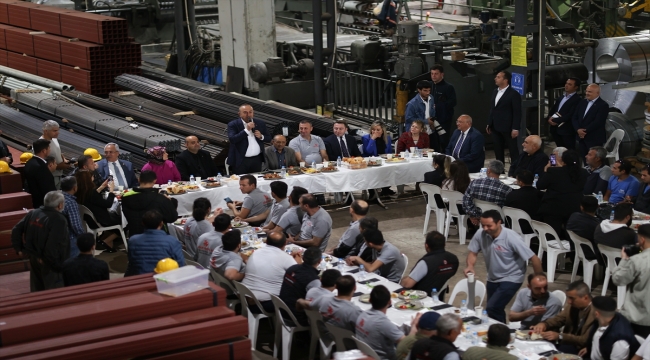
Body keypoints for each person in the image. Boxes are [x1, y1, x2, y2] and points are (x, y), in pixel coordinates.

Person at [465, 210, 543, 322]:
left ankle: (501, 334)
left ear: (499, 223)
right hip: (492, 277)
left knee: (493, 307)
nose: (485, 228)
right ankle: (497, 333)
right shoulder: (481, 233)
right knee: (493, 310)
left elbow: (534, 259)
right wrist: (470, 266)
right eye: (483, 225)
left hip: (512, 277)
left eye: (489, 225)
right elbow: (473, 252)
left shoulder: (512, 238)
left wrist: (538, 281)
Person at [11, 191, 69, 291]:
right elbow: (53, 244)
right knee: (54, 293)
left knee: (37, 289)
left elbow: (16, 229)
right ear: (60, 205)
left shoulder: (34, 213)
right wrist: (54, 264)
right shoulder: (58, 219)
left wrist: (19, 248)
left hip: (34, 257)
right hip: (49, 262)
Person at [243, 231, 302, 312]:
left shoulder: (256, 252)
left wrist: (289, 258)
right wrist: (299, 264)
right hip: (264, 303)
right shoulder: (285, 258)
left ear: (266, 241)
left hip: (245, 296)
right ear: (285, 243)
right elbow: (301, 276)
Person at [532, 281, 596, 354]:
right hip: (568, 344)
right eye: (568, 298)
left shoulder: (595, 313)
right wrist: (544, 324)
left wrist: (560, 336)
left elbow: (584, 340)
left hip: (582, 349)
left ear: (585, 298)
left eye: (572, 298)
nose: (569, 302)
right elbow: (558, 319)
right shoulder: (572, 307)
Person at [537, 149, 588, 238]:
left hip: (554, 208)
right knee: (571, 234)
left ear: (563, 160)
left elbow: (540, 185)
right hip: (574, 207)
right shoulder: (583, 173)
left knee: (552, 235)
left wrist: (546, 171)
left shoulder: (553, 171)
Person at [612, 223, 650, 337]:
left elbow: (618, 279)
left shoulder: (637, 260)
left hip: (639, 318)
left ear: (642, 239)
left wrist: (624, 260)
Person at [356, 285, 412, 360]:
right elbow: (406, 344)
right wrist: (414, 327)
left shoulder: (361, 315)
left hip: (364, 355)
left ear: (370, 300)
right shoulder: (383, 323)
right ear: (389, 302)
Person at [400, 231, 459, 299]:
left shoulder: (425, 263)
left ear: (426, 246)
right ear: (444, 244)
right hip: (439, 296)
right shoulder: (453, 259)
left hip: (420, 298)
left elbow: (408, 284)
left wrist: (403, 280)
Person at [125, 210, 185, 276]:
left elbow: (132, 263)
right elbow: (181, 265)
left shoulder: (133, 240)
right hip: (165, 279)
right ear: (161, 223)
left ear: (143, 223)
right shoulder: (172, 241)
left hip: (141, 279)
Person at [579, 296, 640, 360]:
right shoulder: (603, 320)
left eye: (591, 309)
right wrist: (589, 348)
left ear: (596, 314)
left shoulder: (620, 341)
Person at [74, 170, 120, 253]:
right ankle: (106, 241)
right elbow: (108, 204)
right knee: (125, 220)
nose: (93, 178)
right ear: (88, 180)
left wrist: (102, 187)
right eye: (92, 176)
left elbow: (92, 198)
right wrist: (111, 191)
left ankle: (103, 238)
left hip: (90, 220)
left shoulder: (79, 192)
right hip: (100, 220)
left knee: (116, 216)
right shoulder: (91, 192)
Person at [121, 170, 179, 236]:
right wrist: (170, 202)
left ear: (139, 180)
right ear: (154, 181)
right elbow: (172, 218)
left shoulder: (126, 198)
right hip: (158, 236)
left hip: (135, 234)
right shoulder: (160, 198)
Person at [279, 247, 322, 326]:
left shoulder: (292, 268)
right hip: (297, 317)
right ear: (320, 261)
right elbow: (317, 304)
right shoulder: (313, 280)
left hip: (281, 310)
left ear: (302, 257)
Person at [486, 71, 522, 164]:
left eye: (498, 77)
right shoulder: (495, 91)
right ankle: (500, 172)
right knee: (498, 151)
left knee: (513, 151)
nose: (495, 78)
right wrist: (489, 123)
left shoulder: (513, 94)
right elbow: (492, 108)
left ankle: (515, 172)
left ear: (505, 80)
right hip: (495, 126)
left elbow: (517, 112)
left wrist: (515, 128)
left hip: (508, 127)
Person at [227, 104, 271, 174]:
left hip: (257, 159)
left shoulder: (260, 123)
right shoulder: (233, 124)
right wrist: (246, 130)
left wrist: (261, 136)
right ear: (239, 114)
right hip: (241, 160)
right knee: (241, 181)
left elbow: (269, 138)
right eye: (245, 112)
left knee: (256, 180)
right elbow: (232, 139)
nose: (248, 114)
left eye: (250, 112)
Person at [572, 84, 610, 158]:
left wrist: (584, 131)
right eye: (586, 91)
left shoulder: (603, 105)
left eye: (590, 92)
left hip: (594, 138)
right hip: (581, 137)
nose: (587, 93)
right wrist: (578, 130)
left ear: (597, 93)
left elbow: (598, 122)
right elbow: (574, 117)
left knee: (594, 160)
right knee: (584, 158)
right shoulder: (582, 102)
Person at [405, 81, 443, 150]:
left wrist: (432, 122)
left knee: (435, 151)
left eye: (429, 90)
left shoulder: (431, 98)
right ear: (419, 90)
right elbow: (409, 118)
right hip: (418, 133)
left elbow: (432, 111)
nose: (428, 93)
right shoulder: (412, 104)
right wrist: (426, 121)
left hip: (430, 131)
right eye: (425, 91)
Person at [566, 196, 602, 265]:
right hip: (591, 253)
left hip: (575, 250)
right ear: (598, 206)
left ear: (581, 207)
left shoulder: (574, 216)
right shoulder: (597, 225)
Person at [548, 78, 582, 149]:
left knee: (569, 151)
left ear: (576, 87)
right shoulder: (561, 97)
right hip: (555, 129)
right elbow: (553, 109)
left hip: (567, 131)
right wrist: (549, 118)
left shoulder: (577, 100)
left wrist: (555, 120)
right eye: (566, 83)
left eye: (570, 84)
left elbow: (570, 115)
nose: (566, 85)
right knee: (559, 150)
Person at [24, 139, 56, 208]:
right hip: (41, 205)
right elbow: (47, 189)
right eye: (49, 148)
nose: (50, 150)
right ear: (44, 151)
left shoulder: (29, 162)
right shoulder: (41, 167)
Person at [430, 64, 456, 147]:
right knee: (433, 142)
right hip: (430, 120)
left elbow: (453, 102)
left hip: (443, 120)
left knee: (443, 141)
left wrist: (438, 106)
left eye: (436, 74)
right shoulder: (429, 86)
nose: (433, 76)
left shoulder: (448, 87)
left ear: (442, 74)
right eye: (432, 73)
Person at [40, 120, 70, 189]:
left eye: (58, 130)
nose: (57, 133)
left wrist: (64, 159)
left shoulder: (54, 139)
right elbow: (41, 164)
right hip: (50, 177)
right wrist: (59, 166)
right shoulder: (41, 144)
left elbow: (58, 151)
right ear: (46, 131)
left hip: (58, 175)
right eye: (54, 131)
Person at [60, 176, 85, 259]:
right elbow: (76, 225)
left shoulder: (57, 198)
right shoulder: (71, 203)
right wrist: (84, 238)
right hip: (70, 238)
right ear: (74, 188)